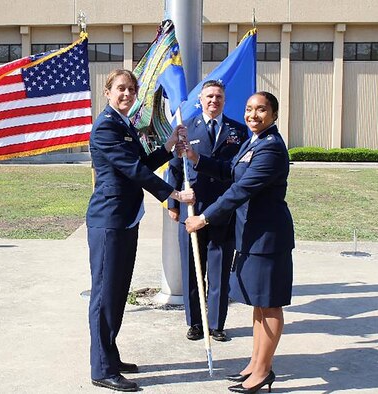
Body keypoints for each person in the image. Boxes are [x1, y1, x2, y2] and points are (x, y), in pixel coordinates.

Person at [86, 69, 194, 392]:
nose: (127, 94)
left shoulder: (124, 125)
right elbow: (132, 170)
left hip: (126, 219)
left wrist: (169, 148)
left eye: (131, 90)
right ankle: (101, 368)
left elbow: (143, 163)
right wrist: (173, 194)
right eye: (121, 89)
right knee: (105, 295)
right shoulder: (106, 126)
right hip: (109, 221)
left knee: (117, 292)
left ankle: (109, 355)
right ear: (108, 92)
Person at [184, 91, 294, 393]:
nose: (252, 115)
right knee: (259, 304)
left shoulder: (271, 148)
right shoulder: (254, 141)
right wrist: (196, 159)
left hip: (269, 238)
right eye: (248, 109)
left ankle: (263, 371)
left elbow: (240, 190)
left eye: (261, 110)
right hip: (252, 235)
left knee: (270, 306)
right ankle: (256, 364)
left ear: (273, 114)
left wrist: (203, 218)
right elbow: (231, 171)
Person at [166, 80, 248, 342]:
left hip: (223, 209)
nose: (214, 100)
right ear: (200, 100)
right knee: (192, 269)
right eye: (209, 96)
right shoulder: (185, 128)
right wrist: (173, 204)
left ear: (224, 100)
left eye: (219, 97)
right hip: (193, 208)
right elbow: (175, 168)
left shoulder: (238, 130)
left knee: (220, 268)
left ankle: (216, 323)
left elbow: (237, 170)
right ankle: (195, 323)